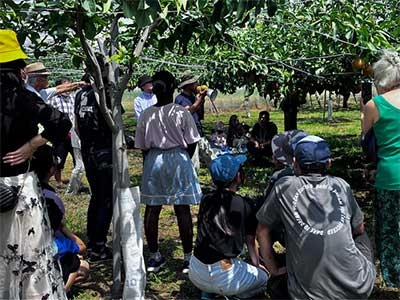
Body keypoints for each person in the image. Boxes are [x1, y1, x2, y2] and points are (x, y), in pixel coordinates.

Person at [257, 135, 376, 299]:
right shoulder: (341, 185)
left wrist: (274, 269)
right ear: (329, 163)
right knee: (361, 233)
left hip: (306, 295)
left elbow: (262, 231)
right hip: (356, 289)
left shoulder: (284, 186)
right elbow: (359, 229)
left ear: (295, 163)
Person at [0, 29, 70, 299]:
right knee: (29, 256)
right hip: (19, 189)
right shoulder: (22, 97)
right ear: (20, 69)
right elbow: (61, 122)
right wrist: (31, 145)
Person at [135, 70, 202, 274]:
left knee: (152, 209)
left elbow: (142, 145)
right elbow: (191, 142)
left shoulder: (147, 114)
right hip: (178, 159)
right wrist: (180, 156)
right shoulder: (181, 112)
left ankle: (154, 256)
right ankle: (188, 258)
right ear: (173, 89)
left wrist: (155, 156)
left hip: (154, 160)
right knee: (182, 209)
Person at [189, 154, 269, 299]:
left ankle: (208, 293)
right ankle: (235, 294)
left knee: (216, 273)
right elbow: (250, 241)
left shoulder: (205, 199)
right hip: (225, 276)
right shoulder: (245, 204)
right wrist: (257, 265)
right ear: (238, 176)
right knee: (264, 279)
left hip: (196, 271)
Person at [362, 49, 400, 288]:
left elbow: (367, 144)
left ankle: (395, 276)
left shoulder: (374, 105)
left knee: (390, 230)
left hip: (390, 177)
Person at [32, 145, 89, 294]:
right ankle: (63, 290)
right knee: (80, 264)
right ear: (51, 170)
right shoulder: (52, 198)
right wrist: (63, 228)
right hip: (51, 256)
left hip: (28, 265)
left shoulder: (24, 194)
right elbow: (82, 247)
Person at [74, 67, 113, 261]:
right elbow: (115, 123)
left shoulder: (80, 94)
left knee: (96, 196)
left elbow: (77, 126)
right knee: (106, 199)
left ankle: (93, 240)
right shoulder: (104, 94)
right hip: (103, 152)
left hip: (88, 151)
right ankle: (99, 246)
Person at [48, 78, 76, 185]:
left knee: (76, 158)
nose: (68, 89)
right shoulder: (53, 99)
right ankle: (58, 181)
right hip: (60, 135)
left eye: (70, 86)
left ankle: (75, 180)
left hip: (72, 133)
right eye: (65, 86)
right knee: (59, 159)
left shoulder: (72, 98)